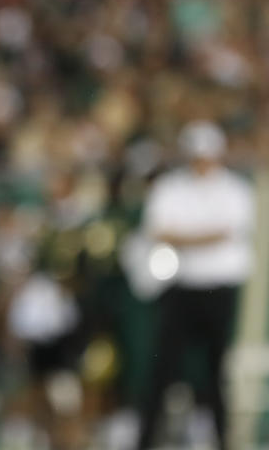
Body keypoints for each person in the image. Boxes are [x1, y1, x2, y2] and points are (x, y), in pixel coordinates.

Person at [136, 121, 254, 450]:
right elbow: (159, 231)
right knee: (163, 369)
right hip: (180, 288)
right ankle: (145, 440)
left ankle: (222, 439)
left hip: (220, 290)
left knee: (218, 370)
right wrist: (202, 236)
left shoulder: (235, 190)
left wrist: (185, 237)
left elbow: (226, 232)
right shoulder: (171, 188)